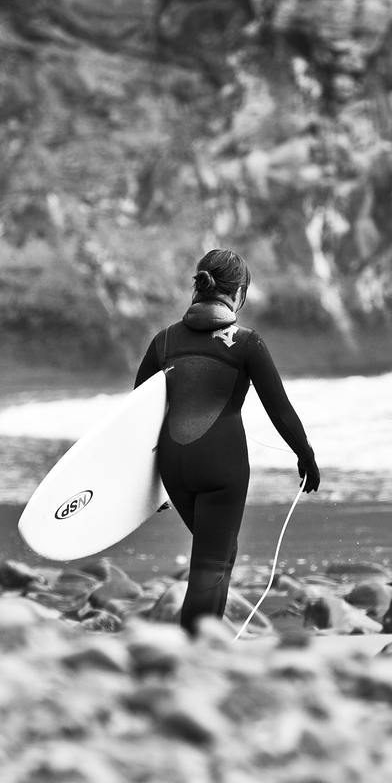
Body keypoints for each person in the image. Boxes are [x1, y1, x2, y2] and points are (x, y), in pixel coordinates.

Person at [134, 249, 319, 634]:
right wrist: (305, 456)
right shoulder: (247, 343)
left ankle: (208, 645)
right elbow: (279, 409)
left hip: (174, 466)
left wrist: (148, 484)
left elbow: (138, 414)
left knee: (217, 554)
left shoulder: (164, 340)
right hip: (221, 463)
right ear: (238, 293)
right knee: (211, 563)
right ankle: (197, 653)